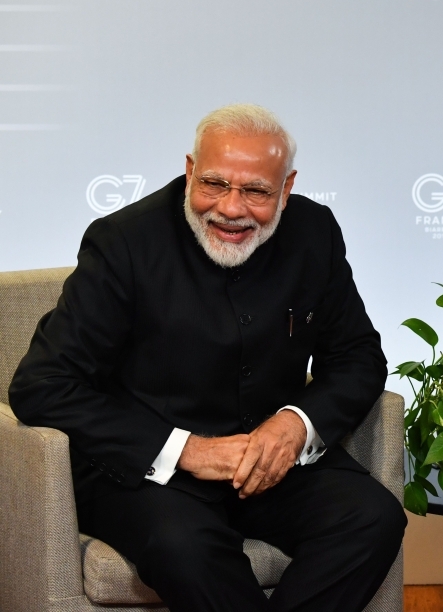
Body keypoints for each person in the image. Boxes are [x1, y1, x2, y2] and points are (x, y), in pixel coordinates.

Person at [9, 104, 406, 612]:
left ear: (286, 189)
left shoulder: (314, 232)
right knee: (186, 548)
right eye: (215, 183)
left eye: (257, 191)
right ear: (191, 170)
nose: (231, 209)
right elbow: (41, 384)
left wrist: (295, 426)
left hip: (268, 465)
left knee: (373, 518)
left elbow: (357, 357)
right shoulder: (124, 243)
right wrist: (188, 450)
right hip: (149, 473)